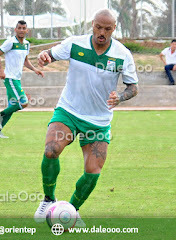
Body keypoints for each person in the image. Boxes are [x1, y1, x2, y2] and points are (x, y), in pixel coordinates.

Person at [34, 9, 138, 227]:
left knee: (93, 172)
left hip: (98, 121)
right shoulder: (75, 43)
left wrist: (120, 96)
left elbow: (133, 87)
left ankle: (71, 210)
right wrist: (45, 56)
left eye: (107, 29)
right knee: (51, 149)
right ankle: (48, 200)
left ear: (114, 29)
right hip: (69, 111)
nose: (102, 32)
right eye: (98, 27)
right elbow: (49, 54)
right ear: (93, 24)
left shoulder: (122, 54)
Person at [0, 20, 44, 138]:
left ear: (27, 30)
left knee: (13, 105)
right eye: (19, 28)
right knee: (24, 102)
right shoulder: (10, 42)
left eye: (23, 28)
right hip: (10, 78)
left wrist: (35, 69)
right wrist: (1, 69)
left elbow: (25, 61)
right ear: (15, 29)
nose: (21, 30)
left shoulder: (26, 44)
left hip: (17, 78)